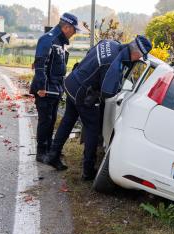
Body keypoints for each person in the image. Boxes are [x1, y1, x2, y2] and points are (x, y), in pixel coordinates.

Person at [44, 36, 152, 180]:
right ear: (137, 53)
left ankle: (53, 154)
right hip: (83, 93)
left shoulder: (111, 44)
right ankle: (88, 171)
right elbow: (108, 92)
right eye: (140, 56)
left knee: (68, 120)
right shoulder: (114, 62)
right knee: (92, 130)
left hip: (72, 82)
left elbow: (91, 52)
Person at [30, 13, 80, 162]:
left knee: (51, 121)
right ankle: (41, 152)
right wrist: (41, 87)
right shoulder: (48, 39)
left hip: (55, 89)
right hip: (45, 89)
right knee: (45, 121)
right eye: (74, 30)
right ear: (66, 27)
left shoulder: (60, 42)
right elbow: (40, 64)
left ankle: (50, 149)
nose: (74, 33)